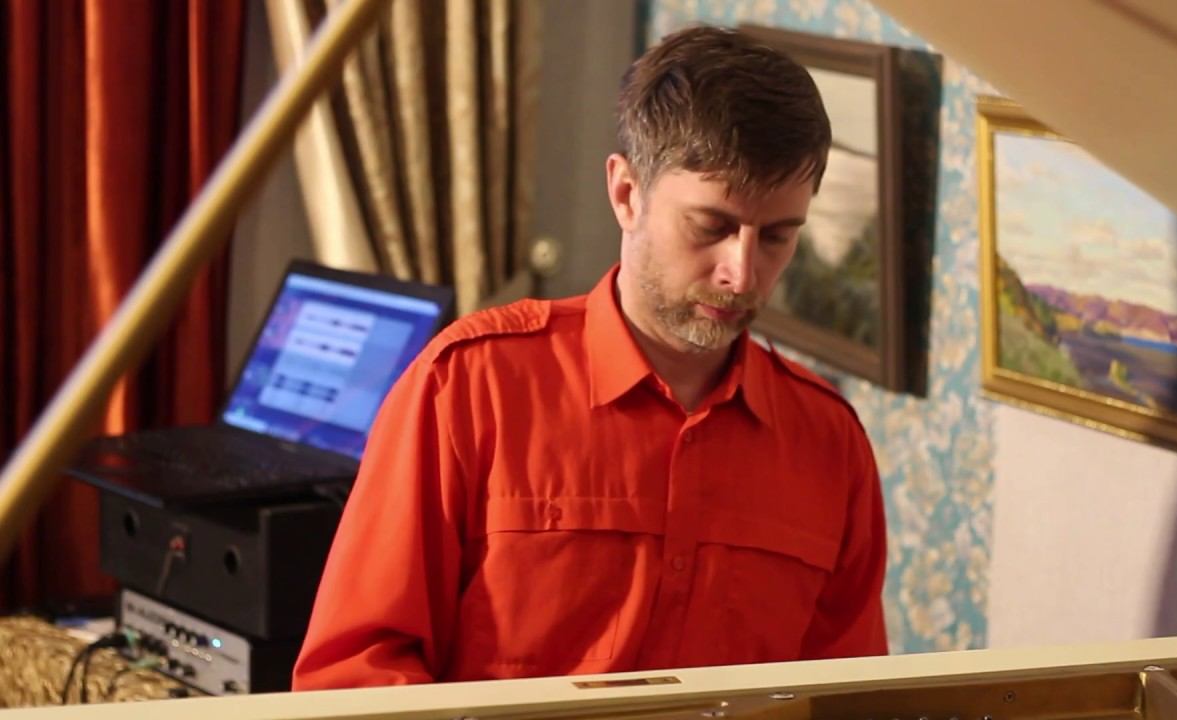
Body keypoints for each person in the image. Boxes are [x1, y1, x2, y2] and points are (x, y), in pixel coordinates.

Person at [292, 25, 887, 690]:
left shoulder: (829, 444)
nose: (742, 274)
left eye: (776, 237)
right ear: (626, 194)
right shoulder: (468, 386)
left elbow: (849, 697)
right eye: (711, 227)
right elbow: (355, 674)